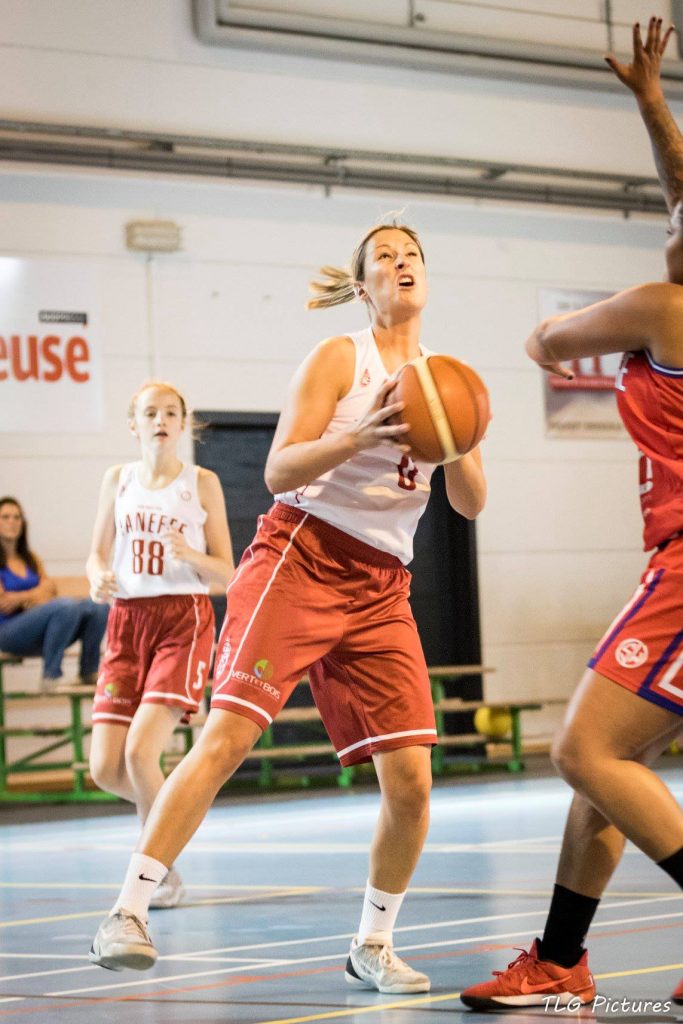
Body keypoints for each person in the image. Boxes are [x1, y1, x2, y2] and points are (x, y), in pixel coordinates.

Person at [88, 221, 487, 989]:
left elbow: (469, 504)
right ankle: (128, 911)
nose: (401, 264)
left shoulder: (445, 381)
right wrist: (359, 435)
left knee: (411, 779)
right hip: (300, 555)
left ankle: (372, 944)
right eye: (384, 257)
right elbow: (278, 471)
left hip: (381, 585)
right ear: (363, 285)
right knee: (227, 737)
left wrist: (458, 435)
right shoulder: (341, 357)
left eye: (411, 255)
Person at [461, 28, 683, 1004]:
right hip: (670, 561)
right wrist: (650, 103)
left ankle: (559, 960)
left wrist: (572, 324)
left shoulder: (662, 307)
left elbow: (544, 342)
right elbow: (679, 185)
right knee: (612, 764)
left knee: (581, 751)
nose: (669, 214)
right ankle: (558, 960)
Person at [86, 380, 233, 909]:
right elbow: (96, 554)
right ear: (134, 424)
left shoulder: (201, 483)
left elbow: (228, 572)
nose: (161, 421)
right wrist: (97, 576)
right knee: (105, 768)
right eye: (150, 413)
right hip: (126, 622)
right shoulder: (117, 479)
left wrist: (191, 555)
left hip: (181, 620)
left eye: (171, 412)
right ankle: (177, 809)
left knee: (139, 751)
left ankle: (158, 871)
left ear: (183, 423)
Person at [0, 496, 108, 686]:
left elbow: (49, 590)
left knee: (98, 607)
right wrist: (36, 597)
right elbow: (4, 602)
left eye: (17, 517)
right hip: (9, 633)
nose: (12, 522)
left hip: (43, 631)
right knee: (66, 606)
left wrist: (20, 598)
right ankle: (51, 676)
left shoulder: (30, 558)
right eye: (6, 517)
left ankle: (88, 672)